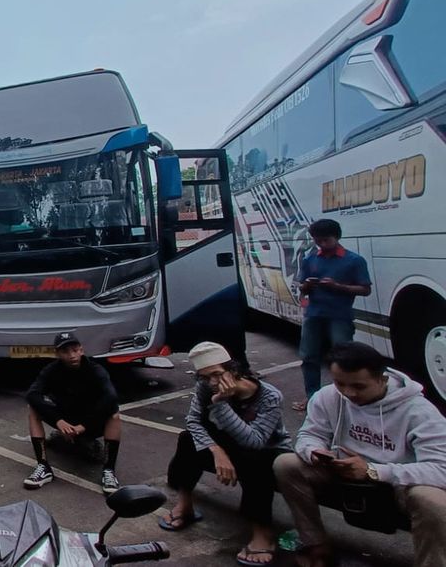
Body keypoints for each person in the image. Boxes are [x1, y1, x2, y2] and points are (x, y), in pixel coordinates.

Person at [274, 342, 446, 567]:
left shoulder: (419, 411)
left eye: (359, 386)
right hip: (342, 471)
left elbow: (441, 469)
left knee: (432, 500)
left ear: (382, 379)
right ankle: (315, 544)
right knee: (286, 463)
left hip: (398, 483)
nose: (348, 393)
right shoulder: (328, 396)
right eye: (340, 383)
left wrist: (373, 471)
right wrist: (314, 451)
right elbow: (309, 434)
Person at [160, 342, 290, 566]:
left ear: (234, 371)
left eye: (217, 374)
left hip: (266, 450)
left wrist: (220, 404)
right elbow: (193, 421)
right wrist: (216, 450)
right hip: (227, 444)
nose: (212, 382)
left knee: (256, 463)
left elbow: (255, 441)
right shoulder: (206, 387)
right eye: (204, 377)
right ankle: (185, 503)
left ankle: (262, 531)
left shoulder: (269, 396)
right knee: (188, 440)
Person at [23, 332, 123, 495]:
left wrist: (84, 426)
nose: (71, 355)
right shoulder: (51, 370)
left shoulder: (95, 370)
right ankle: (43, 466)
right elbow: (32, 394)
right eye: (65, 352)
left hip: (89, 422)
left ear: (81, 350)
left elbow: (111, 397)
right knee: (32, 409)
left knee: (114, 413)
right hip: (65, 422)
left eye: (75, 350)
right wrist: (58, 422)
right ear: (58, 354)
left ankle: (109, 471)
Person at [294, 219, 371, 411]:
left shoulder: (354, 261)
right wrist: (307, 286)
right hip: (313, 314)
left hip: (340, 316)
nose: (321, 244)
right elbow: (302, 288)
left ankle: (346, 398)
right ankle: (313, 398)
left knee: (344, 358)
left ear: (337, 237)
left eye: (326, 240)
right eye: (317, 240)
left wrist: (338, 286)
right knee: (309, 357)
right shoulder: (310, 260)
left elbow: (365, 289)